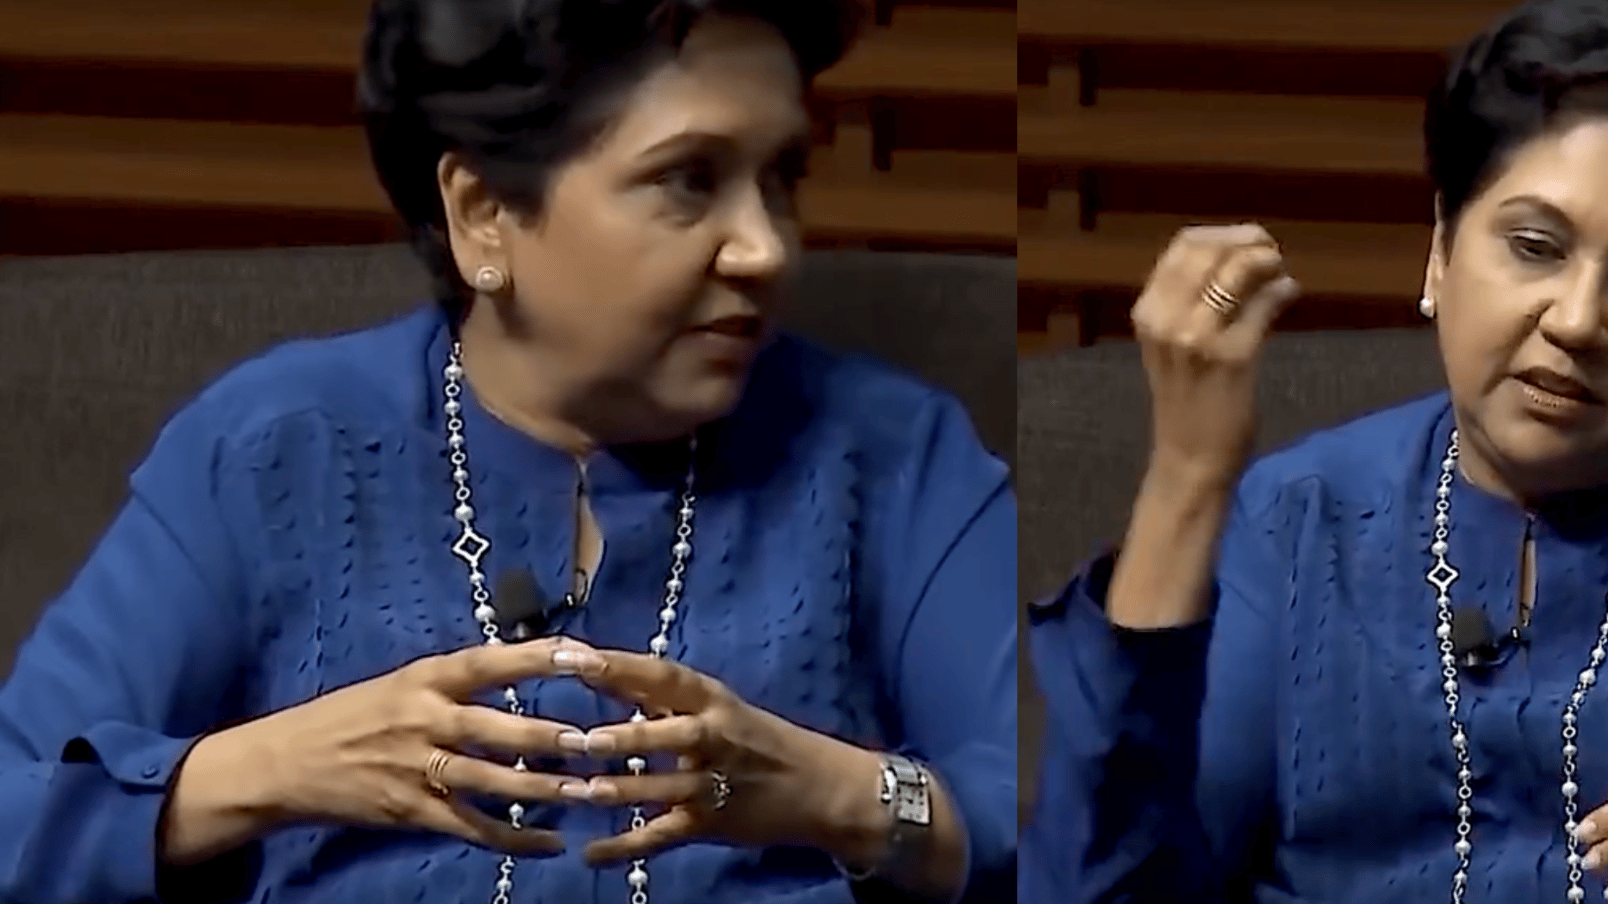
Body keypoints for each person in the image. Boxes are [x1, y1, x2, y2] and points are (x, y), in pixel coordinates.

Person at [0, 1, 1017, 902]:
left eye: (781, 178)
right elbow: (14, 810)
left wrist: (837, 792)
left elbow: (1061, 821)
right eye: (688, 180)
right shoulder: (274, 447)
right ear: (483, 215)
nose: (765, 248)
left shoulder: (888, 451)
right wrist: (275, 767)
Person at [1021, 1, 1608, 902]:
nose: (1574, 321)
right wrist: (1186, 479)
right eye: (1534, 246)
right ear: (1439, 250)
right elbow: (1099, 883)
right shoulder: (1298, 519)